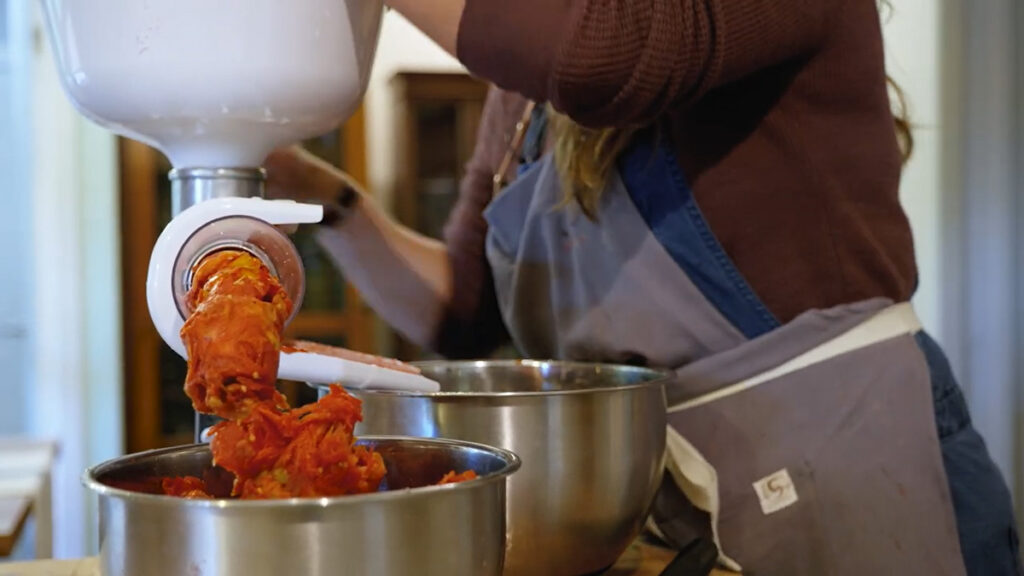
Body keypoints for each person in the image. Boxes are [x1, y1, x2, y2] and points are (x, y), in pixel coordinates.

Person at [264, 0, 1022, 573]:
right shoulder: (522, 94)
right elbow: (459, 309)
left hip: (851, 462)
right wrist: (322, 195)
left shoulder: (596, 45)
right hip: (663, 500)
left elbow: (605, 61)